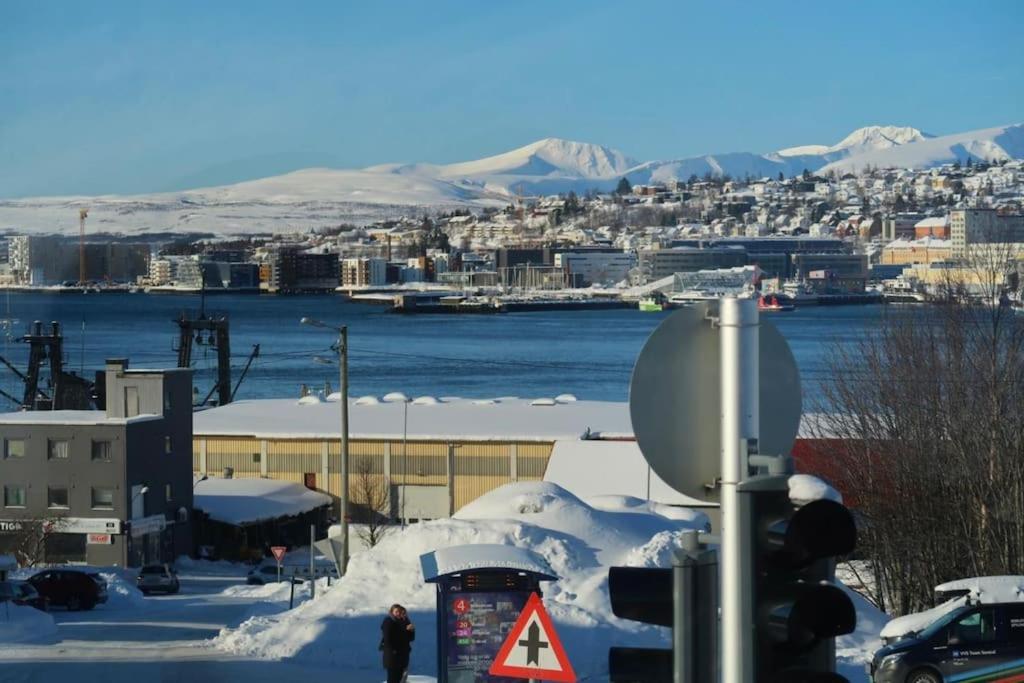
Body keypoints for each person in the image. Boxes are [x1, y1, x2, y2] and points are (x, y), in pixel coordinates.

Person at [381, 603, 415, 683]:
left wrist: (411, 630)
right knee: (393, 678)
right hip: (393, 657)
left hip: (402, 656)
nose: (399, 614)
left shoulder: (404, 622)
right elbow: (388, 638)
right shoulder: (389, 621)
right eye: (397, 612)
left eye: (401, 612)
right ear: (392, 612)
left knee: (400, 678)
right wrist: (393, 651)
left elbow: (410, 638)